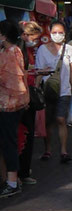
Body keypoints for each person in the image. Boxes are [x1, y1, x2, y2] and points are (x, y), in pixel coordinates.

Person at [35, 20, 72, 163]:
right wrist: (36, 90)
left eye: (60, 32)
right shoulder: (42, 49)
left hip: (64, 91)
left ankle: (63, 151)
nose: (57, 35)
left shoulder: (69, 49)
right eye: (54, 32)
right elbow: (38, 72)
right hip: (47, 90)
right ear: (49, 32)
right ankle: (47, 150)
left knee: (61, 119)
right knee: (47, 122)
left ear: (65, 34)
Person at [0, 19, 29, 198]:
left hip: (7, 105)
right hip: (16, 103)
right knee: (10, 141)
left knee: (8, 143)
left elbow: (8, 81)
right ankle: (12, 178)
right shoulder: (17, 50)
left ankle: (11, 181)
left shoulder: (7, 55)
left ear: (3, 35)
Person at [16, 21, 42, 186]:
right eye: (34, 37)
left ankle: (21, 171)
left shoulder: (26, 50)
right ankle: (21, 172)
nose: (36, 41)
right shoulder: (20, 51)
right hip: (24, 97)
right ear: (25, 35)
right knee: (24, 134)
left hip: (24, 95)